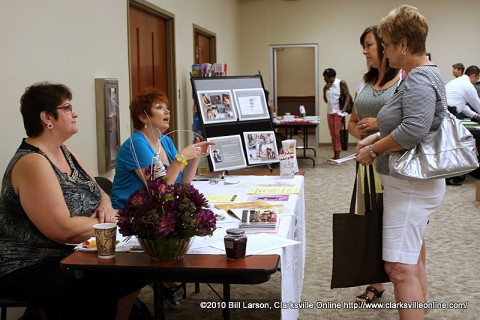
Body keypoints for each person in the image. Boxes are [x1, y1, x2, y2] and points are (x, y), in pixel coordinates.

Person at [0, 82, 148, 319]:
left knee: (139, 266)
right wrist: (114, 222)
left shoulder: (65, 152)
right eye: (67, 108)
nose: (75, 113)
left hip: (73, 252)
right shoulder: (32, 163)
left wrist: (106, 209)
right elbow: (63, 229)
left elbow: (102, 194)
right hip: (30, 264)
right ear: (47, 117)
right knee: (115, 278)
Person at [355, 6, 446, 319]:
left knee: (399, 268)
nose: (385, 51)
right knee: (411, 261)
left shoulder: (419, 79)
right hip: (409, 186)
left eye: (388, 44)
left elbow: (414, 130)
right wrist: (373, 137)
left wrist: (375, 149)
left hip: (410, 188)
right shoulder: (421, 75)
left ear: (404, 44)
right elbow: (406, 122)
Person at [110, 87, 213, 307]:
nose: (167, 112)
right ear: (143, 116)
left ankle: (168, 278)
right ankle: (166, 278)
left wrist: (195, 155)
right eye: (159, 108)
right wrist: (180, 158)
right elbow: (160, 189)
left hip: (157, 208)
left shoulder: (164, 142)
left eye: (166, 107)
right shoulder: (136, 145)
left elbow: (181, 185)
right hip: (130, 216)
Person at [348, 25, 401, 303]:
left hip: (395, 163)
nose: (365, 51)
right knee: (370, 223)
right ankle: (375, 284)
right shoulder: (363, 81)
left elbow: (412, 122)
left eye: (368, 45)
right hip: (366, 165)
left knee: (403, 223)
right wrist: (356, 130)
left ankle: (414, 277)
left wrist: (380, 123)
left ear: (383, 46)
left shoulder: (404, 80)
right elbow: (352, 121)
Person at [444, 65, 480, 185]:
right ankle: (452, 176)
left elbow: (462, 105)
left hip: (444, 115)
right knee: (456, 145)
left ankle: (453, 175)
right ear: (474, 76)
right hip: (447, 116)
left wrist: (475, 116)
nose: (476, 82)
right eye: (477, 78)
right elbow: (478, 105)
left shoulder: (457, 82)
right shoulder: (468, 86)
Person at [323, 68, 351, 161]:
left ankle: (338, 155)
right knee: (332, 134)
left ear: (331, 77)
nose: (324, 79)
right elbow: (326, 100)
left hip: (338, 112)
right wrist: (324, 90)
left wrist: (344, 107)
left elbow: (347, 95)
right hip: (330, 112)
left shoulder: (341, 83)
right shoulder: (327, 86)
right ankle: (335, 154)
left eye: (325, 77)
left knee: (337, 134)